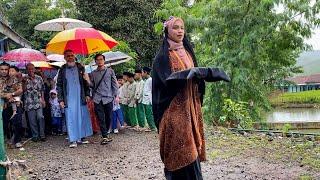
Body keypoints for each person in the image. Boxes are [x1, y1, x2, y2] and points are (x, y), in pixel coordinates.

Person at [152, 17, 206, 179]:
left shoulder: (188, 53)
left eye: (182, 28)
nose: (180, 31)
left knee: (192, 150)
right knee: (179, 148)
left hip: (191, 110)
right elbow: (164, 83)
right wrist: (185, 76)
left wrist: (200, 76)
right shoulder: (162, 57)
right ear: (167, 31)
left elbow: (197, 80)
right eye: (175, 28)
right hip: (173, 112)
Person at [56, 49, 93, 148]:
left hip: (80, 97)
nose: (70, 57)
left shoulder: (80, 67)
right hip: (69, 98)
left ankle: (82, 137)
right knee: (70, 118)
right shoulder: (62, 69)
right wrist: (60, 100)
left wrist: (87, 94)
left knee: (82, 116)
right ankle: (73, 140)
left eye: (72, 55)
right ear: (65, 58)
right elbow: (59, 85)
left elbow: (86, 84)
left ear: (74, 56)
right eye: (68, 56)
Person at [83, 53, 118, 145]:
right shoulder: (93, 73)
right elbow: (92, 86)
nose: (99, 61)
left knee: (108, 117)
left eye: (101, 59)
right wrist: (87, 80)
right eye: (97, 59)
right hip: (97, 98)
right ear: (95, 61)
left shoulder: (110, 71)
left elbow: (114, 84)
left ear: (104, 60)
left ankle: (106, 133)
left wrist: (116, 96)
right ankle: (105, 136)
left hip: (108, 98)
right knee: (100, 117)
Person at [0, 63, 24, 148]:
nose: (4, 71)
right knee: (4, 124)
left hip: (15, 103)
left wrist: (12, 94)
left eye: (6, 69)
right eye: (2, 69)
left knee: (18, 123)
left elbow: (20, 90)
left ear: (8, 70)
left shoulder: (14, 79)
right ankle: (7, 140)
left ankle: (17, 141)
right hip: (4, 105)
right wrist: (6, 96)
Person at [23, 63, 46, 142]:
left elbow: (42, 89)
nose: (31, 70)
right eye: (29, 69)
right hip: (29, 101)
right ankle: (35, 136)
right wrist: (24, 82)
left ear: (34, 69)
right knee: (32, 120)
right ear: (26, 70)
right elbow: (23, 90)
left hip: (38, 100)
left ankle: (42, 135)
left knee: (40, 117)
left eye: (32, 69)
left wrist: (43, 100)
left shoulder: (39, 78)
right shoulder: (24, 78)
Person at [141, 67, 156, 132]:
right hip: (145, 99)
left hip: (149, 100)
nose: (141, 74)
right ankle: (150, 126)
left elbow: (152, 90)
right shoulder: (146, 80)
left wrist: (151, 100)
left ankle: (152, 127)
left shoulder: (150, 80)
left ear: (145, 72)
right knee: (147, 114)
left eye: (142, 72)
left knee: (149, 114)